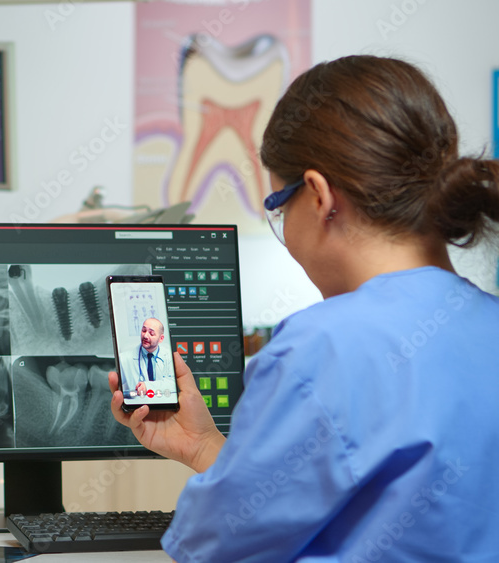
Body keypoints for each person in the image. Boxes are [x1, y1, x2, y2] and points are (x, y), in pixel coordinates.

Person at [111, 55, 499, 561]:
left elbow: (215, 549)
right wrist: (207, 447)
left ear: (317, 196)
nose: (286, 237)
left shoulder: (321, 348)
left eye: (278, 209)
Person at [118, 317, 173, 399]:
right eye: (143, 331)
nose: (145, 336)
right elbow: (116, 387)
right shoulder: (124, 359)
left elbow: (174, 383)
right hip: (138, 406)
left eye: (151, 333)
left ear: (161, 338)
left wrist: (147, 386)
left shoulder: (169, 356)